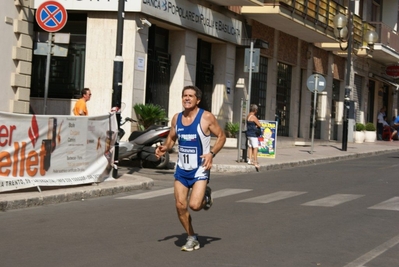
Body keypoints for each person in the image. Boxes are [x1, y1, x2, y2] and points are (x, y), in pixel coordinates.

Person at [155, 85, 226, 252]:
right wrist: (165, 147)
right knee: (180, 205)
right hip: (181, 169)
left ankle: (205, 196)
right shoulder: (176, 118)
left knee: (194, 205)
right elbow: (171, 139)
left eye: (190, 96)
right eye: (184, 95)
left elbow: (222, 136)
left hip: (200, 169)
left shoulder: (206, 117)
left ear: (198, 100)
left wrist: (211, 153)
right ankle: (191, 237)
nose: (187, 98)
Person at [246, 104, 262, 169]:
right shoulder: (253, 117)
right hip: (253, 134)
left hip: (248, 133)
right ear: (255, 110)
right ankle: (255, 161)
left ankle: (250, 160)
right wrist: (256, 126)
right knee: (255, 148)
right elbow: (259, 125)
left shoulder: (248, 116)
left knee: (250, 147)